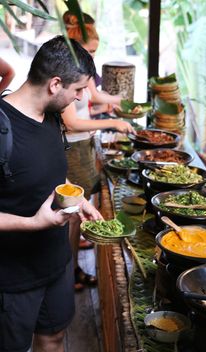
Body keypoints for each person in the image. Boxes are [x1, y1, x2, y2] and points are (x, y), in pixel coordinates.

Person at [0, 35, 103, 352]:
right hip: (11, 278)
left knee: (54, 338)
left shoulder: (52, 115)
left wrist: (79, 197)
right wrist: (35, 222)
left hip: (56, 263)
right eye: (78, 90)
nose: (81, 97)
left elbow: (52, 172)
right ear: (55, 84)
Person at [62, 12, 136, 291]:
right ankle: (69, 273)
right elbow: (71, 121)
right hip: (73, 146)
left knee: (75, 216)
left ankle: (73, 266)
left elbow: (92, 99)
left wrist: (116, 103)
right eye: (91, 50)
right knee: (70, 216)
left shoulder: (79, 67)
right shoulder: (69, 71)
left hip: (83, 142)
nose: (93, 56)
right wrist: (113, 120)